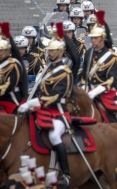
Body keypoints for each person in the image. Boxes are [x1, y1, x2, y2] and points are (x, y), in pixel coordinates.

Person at [18, 27, 72, 188]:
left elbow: (55, 96)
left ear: (61, 52)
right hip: (44, 110)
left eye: (53, 51)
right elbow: (39, 89)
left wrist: (33, 103)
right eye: (49, 51)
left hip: (59, 112)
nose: (50, 53)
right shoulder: (48, 68)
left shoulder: (65, 71)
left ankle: (66, 174)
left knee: (55, 136)